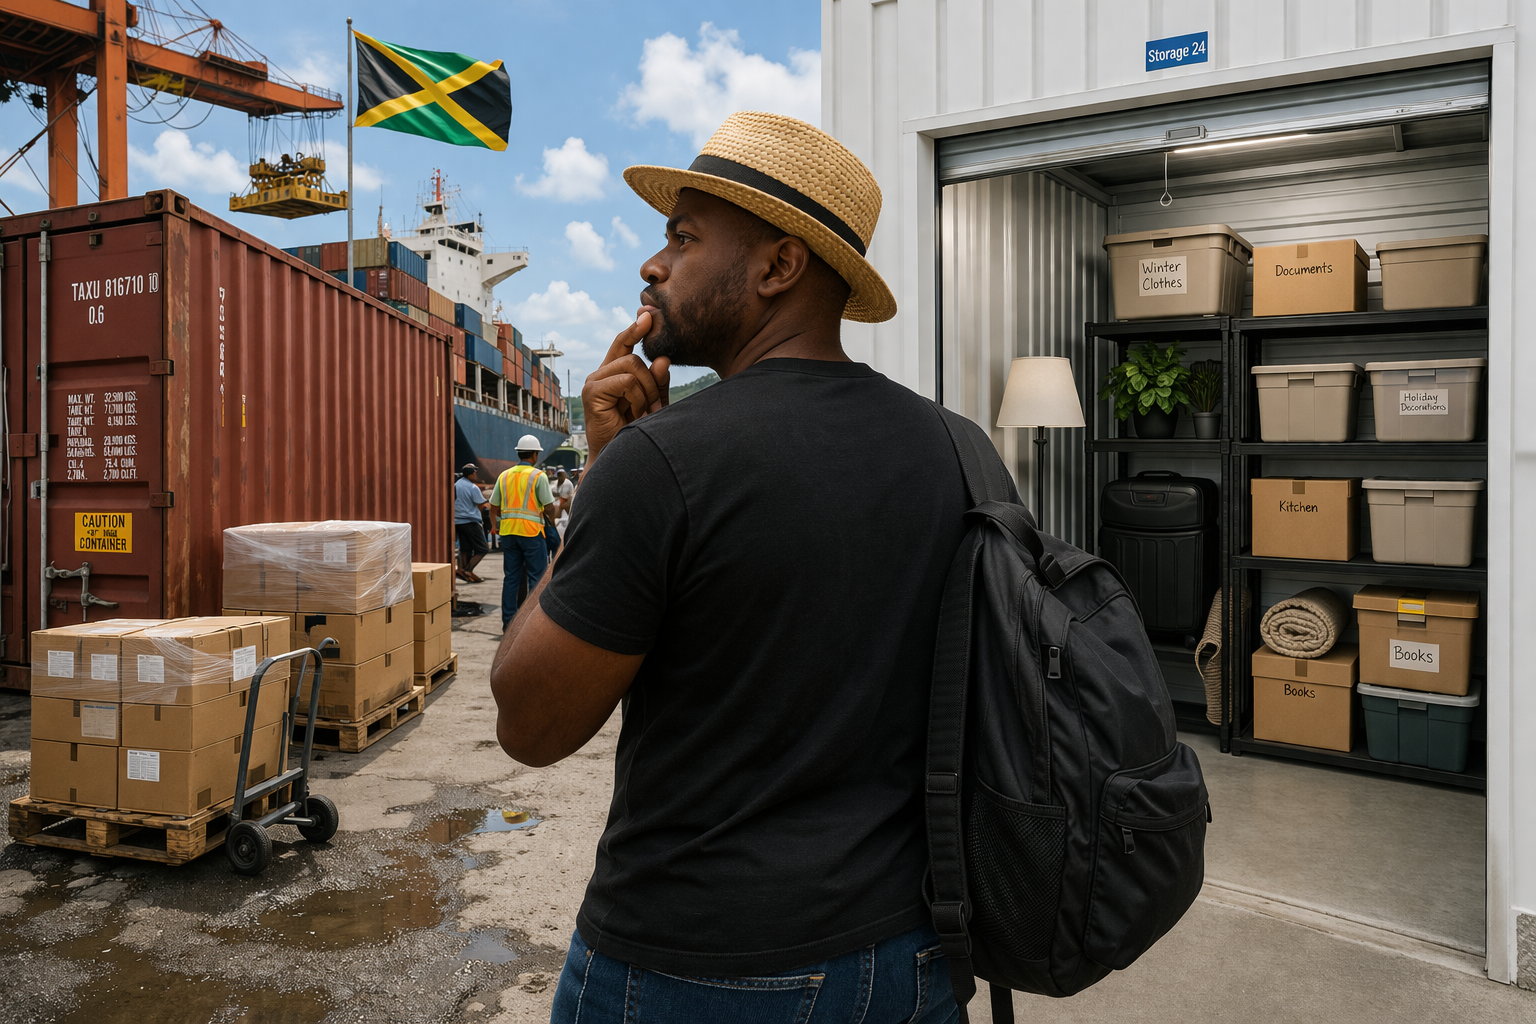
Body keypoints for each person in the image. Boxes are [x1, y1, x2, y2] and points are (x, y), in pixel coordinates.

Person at [490, 112, 971, 1024]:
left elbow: (530, 724)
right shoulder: (957, 450)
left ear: (778, 267)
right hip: (915, 951)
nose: (652, 265)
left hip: (697, 963)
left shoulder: (661, 462)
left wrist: (600, 472)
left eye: (681, 237)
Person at [490, 436, 558, 629]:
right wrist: (551, 523)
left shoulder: (504, 476)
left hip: (509, 533)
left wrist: (494, 526)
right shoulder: (538, 476)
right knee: (536, 577)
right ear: (535, 454)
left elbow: (493, 505)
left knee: (511, 577)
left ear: (519, 452)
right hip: (531, 533)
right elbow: (549, 506)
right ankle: (532, 624)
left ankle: (509, 623)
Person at [453, 463, 490, 583]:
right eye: (474, 473)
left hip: (458, 522)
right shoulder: (472, 487)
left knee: (465, 548)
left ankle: (462, 569)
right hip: (470, 521)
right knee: (482, 548)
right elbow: (481, 504)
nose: (475, 475)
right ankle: (468, 570)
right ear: (470, 474)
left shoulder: (456, 485)